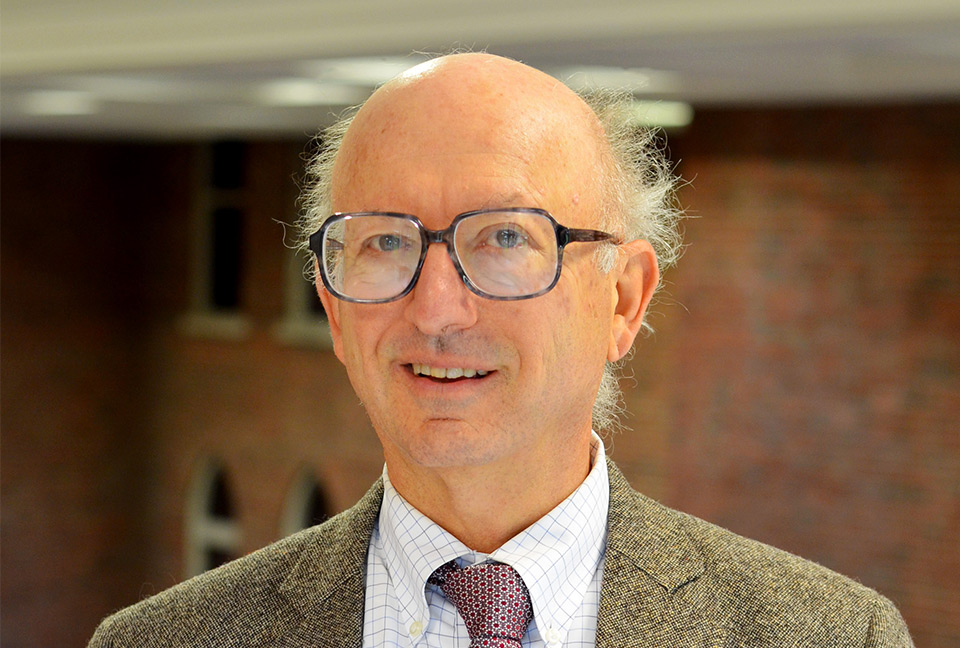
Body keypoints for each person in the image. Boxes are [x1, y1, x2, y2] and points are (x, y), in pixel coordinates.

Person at [89, 53, 912, 647]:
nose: (437, 307)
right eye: (383, 244)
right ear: (335, 311)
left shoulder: (830, 635)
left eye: (505, 238)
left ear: (622, 299)